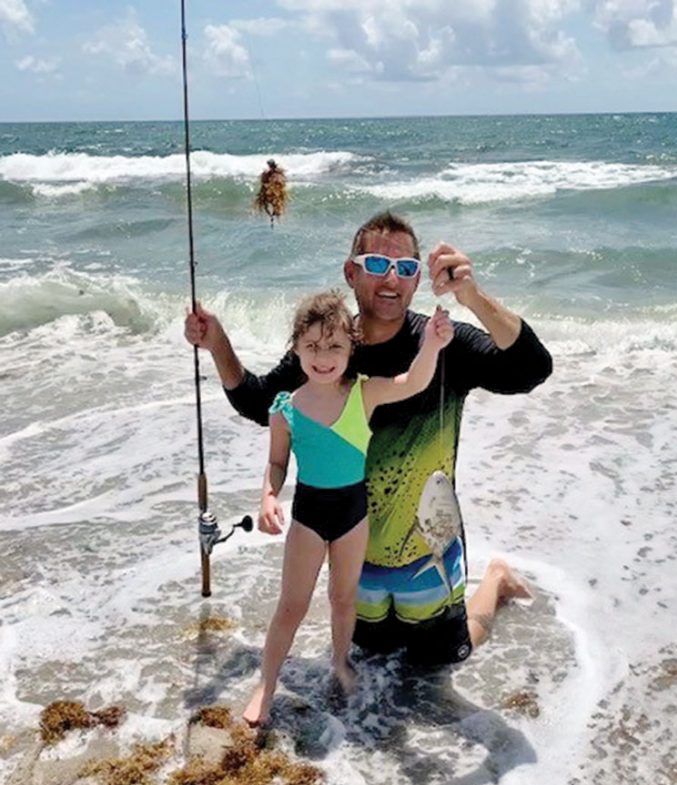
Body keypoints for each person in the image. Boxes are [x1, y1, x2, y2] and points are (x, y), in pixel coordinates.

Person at [184, 210, 552, 670]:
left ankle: (494, 580)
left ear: (418, 280)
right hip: (355, 558)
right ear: (351, 273)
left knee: (443, 661)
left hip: (427, 552)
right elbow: (262, 404)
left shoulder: (443, 344)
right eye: (376, 265)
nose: (390, 279)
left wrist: (471, 296)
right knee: (371, 658)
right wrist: (217, 342)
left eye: (405, 268)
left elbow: (532, 369)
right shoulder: (328, 350)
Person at [243, 290, 453, 726]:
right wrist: (267, 496)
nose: (323, 357)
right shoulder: (286, 409)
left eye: (334, 346)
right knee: (291, 606)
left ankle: (340, 662)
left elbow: (413, 382)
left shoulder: (363, 394)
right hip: (308, 516)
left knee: (343, 599)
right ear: (296, 348)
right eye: (313, 347)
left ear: (350, 348)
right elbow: (277, 462)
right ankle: (266, 684)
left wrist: (431, 344)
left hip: (353, 515)